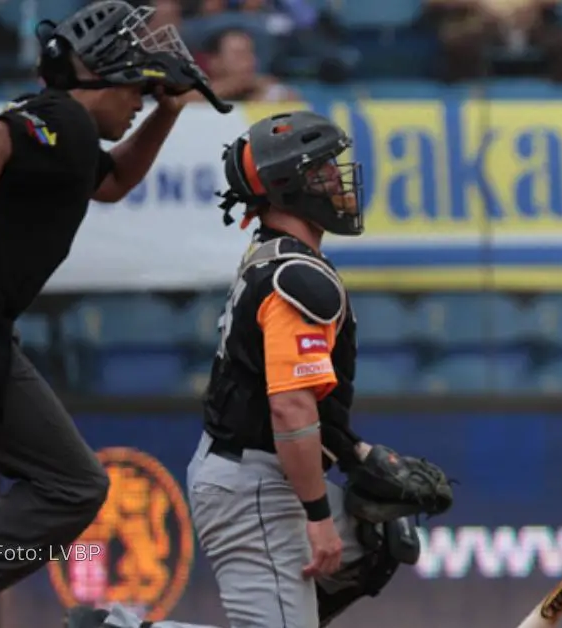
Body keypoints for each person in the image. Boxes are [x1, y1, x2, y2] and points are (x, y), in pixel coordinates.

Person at [66, 111, 453, 628]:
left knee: (379, 537)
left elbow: (305, 401)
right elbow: (290, 406)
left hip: (258, 470)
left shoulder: (279, 254)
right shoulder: (298, 278)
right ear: (289, 186)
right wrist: (317, 518)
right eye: (322, 171)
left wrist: (359, 455)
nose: (337, 180)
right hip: (256, 484)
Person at [0, 1, 229, 624]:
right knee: (75, 487)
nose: (142, 101)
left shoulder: (68, 135)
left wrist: (170, 110)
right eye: (138, 90)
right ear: (103, 75)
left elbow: (113, 183)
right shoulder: (65, 117)